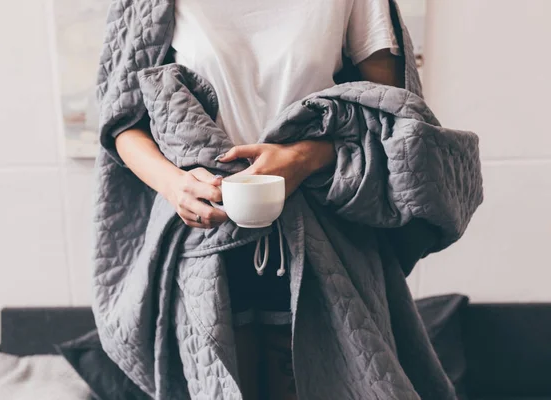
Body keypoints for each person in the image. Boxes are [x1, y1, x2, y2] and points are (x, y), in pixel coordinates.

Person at [109, 0, 403, 398]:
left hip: (322, 231)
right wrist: (173, 184)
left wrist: (301, 159)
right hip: (204, 233)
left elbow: (388, 116)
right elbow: (123, 123)